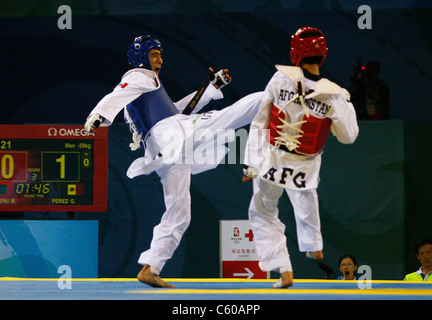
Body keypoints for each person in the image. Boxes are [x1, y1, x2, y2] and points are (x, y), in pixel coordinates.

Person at [84, 35, 262, 287]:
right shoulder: (139, 76)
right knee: (246, 107)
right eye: (154, 54)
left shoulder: (147, 88)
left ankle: (151, 267)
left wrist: (211, 88)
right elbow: (119, 93)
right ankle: (278, 100)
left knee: (179, 212)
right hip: (170, 135)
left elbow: (179, 111)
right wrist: (98, 115)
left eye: (160, 54)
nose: (160, 60)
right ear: (140, 56)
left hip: (165, 150)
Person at [243, 27, 359, 288]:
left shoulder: (279, 79)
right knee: (305, 198)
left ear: (295, 53)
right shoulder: (333, 94)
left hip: (272, 160)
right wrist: (345, 103)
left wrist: (250, 163)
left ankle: (284, 268)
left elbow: (260, 122)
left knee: (262, 212)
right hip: (304, 166)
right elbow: (348, 136)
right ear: (323, 55)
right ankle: (313, 245)